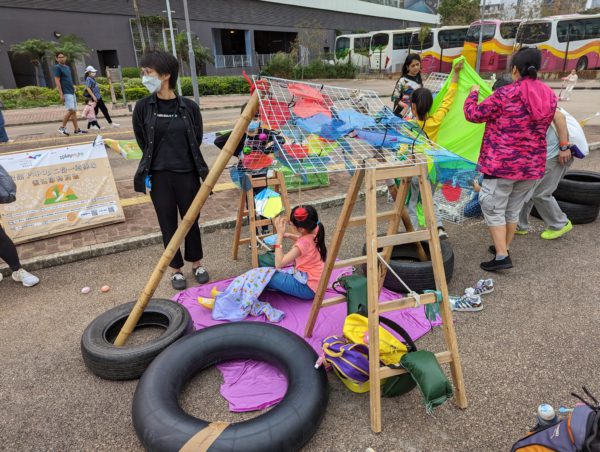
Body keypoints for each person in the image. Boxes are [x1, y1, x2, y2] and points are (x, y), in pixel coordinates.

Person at [464, 47, 557, 272]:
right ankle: (502, 247)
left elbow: (473, 114)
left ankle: (502, 256)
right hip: (532, 166)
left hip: (502, 165)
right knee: (512, 209)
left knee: (493, 207)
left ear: (515, 69)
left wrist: (473, 92)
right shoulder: (549, 95)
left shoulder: (505, 94)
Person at [132, 50, 210, 290]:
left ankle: (197, 263)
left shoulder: (189, 107)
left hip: (187, 174)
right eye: (143, 73)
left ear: (166, 75)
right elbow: (142, 141)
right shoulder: (143, 107)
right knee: (168, 222)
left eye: (148, 73)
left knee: (191, 221)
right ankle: (175, 269)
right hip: (159, 176)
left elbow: (195, 138)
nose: (144, 77)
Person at [387, 61, 464, 237]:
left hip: (417, 168)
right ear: (431, 106)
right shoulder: (435, 120)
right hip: (434, 168)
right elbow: (448, 99)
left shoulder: (409, 125)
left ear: (413, 106)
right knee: (429, 198)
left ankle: (413, 233)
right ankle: (438, 227)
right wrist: (455, 75)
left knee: (413, 202)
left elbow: (401, 147)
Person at [269, 205, 326, 299]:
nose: (290, 224)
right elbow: (305, 240)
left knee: (267, 277)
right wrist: (288, 235)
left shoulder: (301, 245)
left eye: (291, 223)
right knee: (271, 275)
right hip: (318, 284)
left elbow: (279, 263)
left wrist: (280, 235)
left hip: (308, 289)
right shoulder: (316, 228)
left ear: (301, 229)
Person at [53, 52, 86, 136]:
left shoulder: (67, 67)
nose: (62, 58)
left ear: (65, 57)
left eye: (63, 57)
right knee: (71, 110)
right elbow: (57, 80)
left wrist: (73, 86)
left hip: (71, 91)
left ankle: (77, 130)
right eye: (59, 57)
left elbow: (68, 79)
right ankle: (62, 127)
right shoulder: (57, 67)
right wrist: (61, 93)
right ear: (57, 59)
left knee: (74, 111)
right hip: (66, 92)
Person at [391, 53, 423, 118]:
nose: (416, 67)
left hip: (415, 114)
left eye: (417, 64)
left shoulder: (419, 80)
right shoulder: (403, 80)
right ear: (408, 67)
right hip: (403, 114)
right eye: (413, 66)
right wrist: (405, 106)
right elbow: (394, 98)